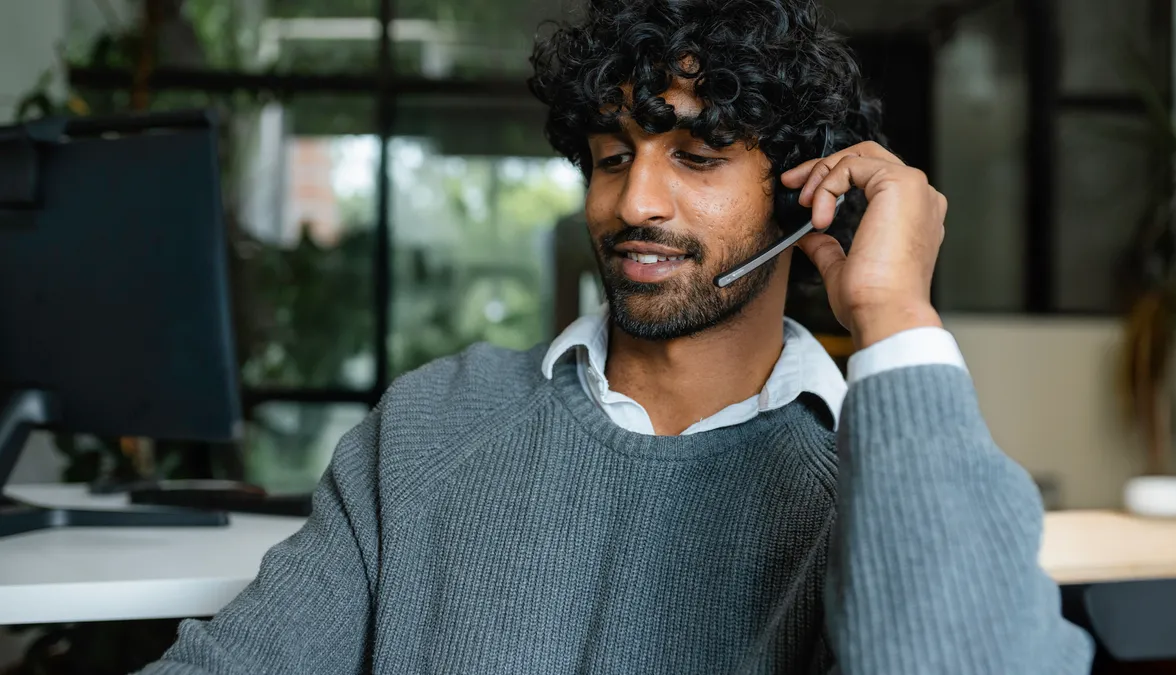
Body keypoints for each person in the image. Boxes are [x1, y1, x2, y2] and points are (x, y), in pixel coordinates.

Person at [138, 0, 1093, 672]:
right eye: (609, 157)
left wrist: (893, 315)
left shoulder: (877, 481)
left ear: (808, 197)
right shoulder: (436, 419)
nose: (633, 201)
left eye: (698, 156)